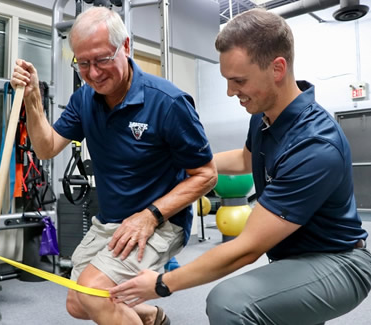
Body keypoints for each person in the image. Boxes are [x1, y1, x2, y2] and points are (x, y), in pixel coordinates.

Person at [109, 8, 371, 325]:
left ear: (277, 69)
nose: (231, 92)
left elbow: (246, 249)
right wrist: (178, 165)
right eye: (227, 80)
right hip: (292, 257)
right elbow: (246, 159)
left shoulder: (315, 145)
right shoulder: (263, 117)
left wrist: (162, 284)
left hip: (339, 262)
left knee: (230, 302)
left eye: (239, 81)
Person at [10, 6, 217, 325]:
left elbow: (206, 175)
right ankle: (151, 317)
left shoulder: (168, 103)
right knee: (78, 303)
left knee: (93, 292)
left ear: (125, 47)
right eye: (83, 63)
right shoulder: (84, 99)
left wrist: (150, 216)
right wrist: (34, 99)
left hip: (160, 222)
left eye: (102, 59)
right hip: (110, 222)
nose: (93, 73)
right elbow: (47, 148)